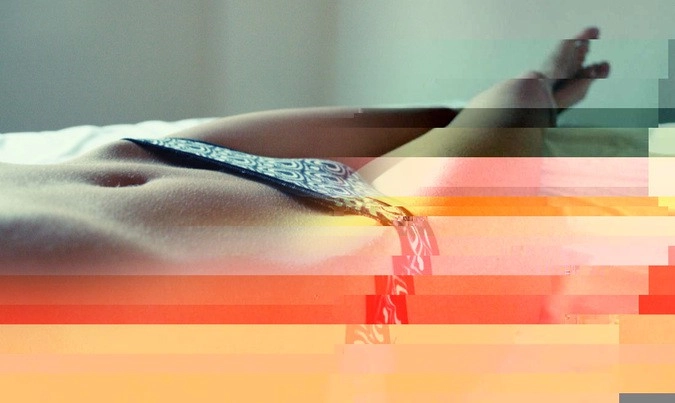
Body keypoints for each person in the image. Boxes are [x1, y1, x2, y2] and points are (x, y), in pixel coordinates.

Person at [0, 27, 610, 276]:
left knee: (452, 113)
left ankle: (540, 93)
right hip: (342, 244)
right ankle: (540, 96)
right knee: (514, 101)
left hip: (168, 155)